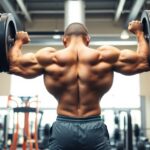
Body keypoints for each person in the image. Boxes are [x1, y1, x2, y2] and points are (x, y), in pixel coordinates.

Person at [8, 20, 150, 150]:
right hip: (94, 128)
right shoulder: (105, 56)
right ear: (88, 39)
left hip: (63, 129)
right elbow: (143, 62)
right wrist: (139, 33)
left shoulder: (49, 58)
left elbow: (14, 65)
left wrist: (19, 41)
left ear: (64, 40)